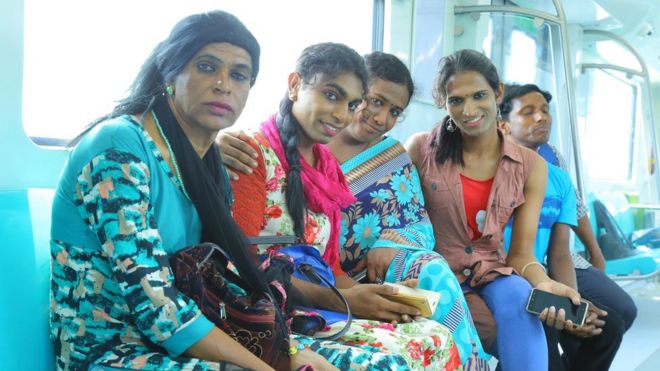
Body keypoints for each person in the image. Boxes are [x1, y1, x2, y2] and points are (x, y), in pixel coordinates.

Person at [49, 11, 334, 371]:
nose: (223, 84)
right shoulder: (118, 148)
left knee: (364, 363)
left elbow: (213, 282)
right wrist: (271, 367)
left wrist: (287, 353)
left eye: (239, 75)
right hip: (112, 351)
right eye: (206, 67)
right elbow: (158, 308)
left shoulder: (209, 163)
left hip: (187, 337)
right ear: (171, 73)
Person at [219, 51, 490, 368]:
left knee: (434, 338)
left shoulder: (327, 168)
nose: (341, 114)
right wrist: (347, 299)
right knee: (398, 357)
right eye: (332, 96)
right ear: (294, 85)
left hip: (325, 292)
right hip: (267, 309)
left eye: (350, 104)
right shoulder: (254, 153)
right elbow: (242, 268)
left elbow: (330, 267)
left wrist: (380, 295)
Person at [405, 49, 583, 371]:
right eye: (456, 100)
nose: (469, 110)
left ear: (497, 92)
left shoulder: (531, 166)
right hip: (435, 271)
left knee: (518, 294)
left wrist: (543, 283)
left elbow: (521, 256)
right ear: (444, 103)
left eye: (479, 96)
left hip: (491, 271)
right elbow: (401, 222)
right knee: (485, 327)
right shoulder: (420, 149)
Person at [500, 82, 635, 370]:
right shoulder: (495, 171)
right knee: (544, 325)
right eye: (528, 112)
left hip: (542, 273)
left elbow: (559, 253)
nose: (541, 118)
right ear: (504, 126)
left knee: (607, 326)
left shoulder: (558, 176)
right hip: (506, 277)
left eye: (545, 111)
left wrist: (574, 304)